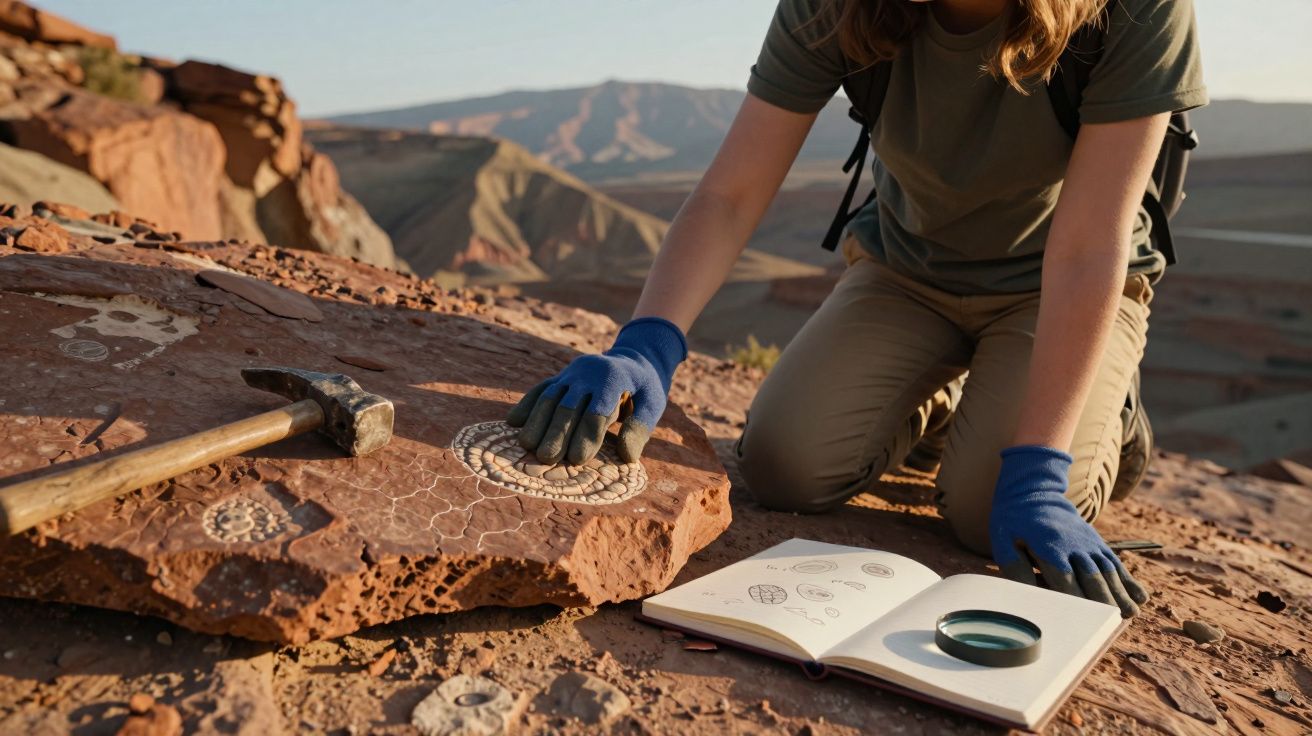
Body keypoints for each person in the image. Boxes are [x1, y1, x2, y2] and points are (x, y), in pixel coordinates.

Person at [508, 0, 1206, 618]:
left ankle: (1106, 413)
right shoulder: (835, 5)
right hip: (907, 271)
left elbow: (1087, 249)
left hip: (1056, 291)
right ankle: (944, 400)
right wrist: (647, 344)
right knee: (784, 467)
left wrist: (1042, 472)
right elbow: (730, 194)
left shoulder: (1134, 9)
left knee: (987, 513)